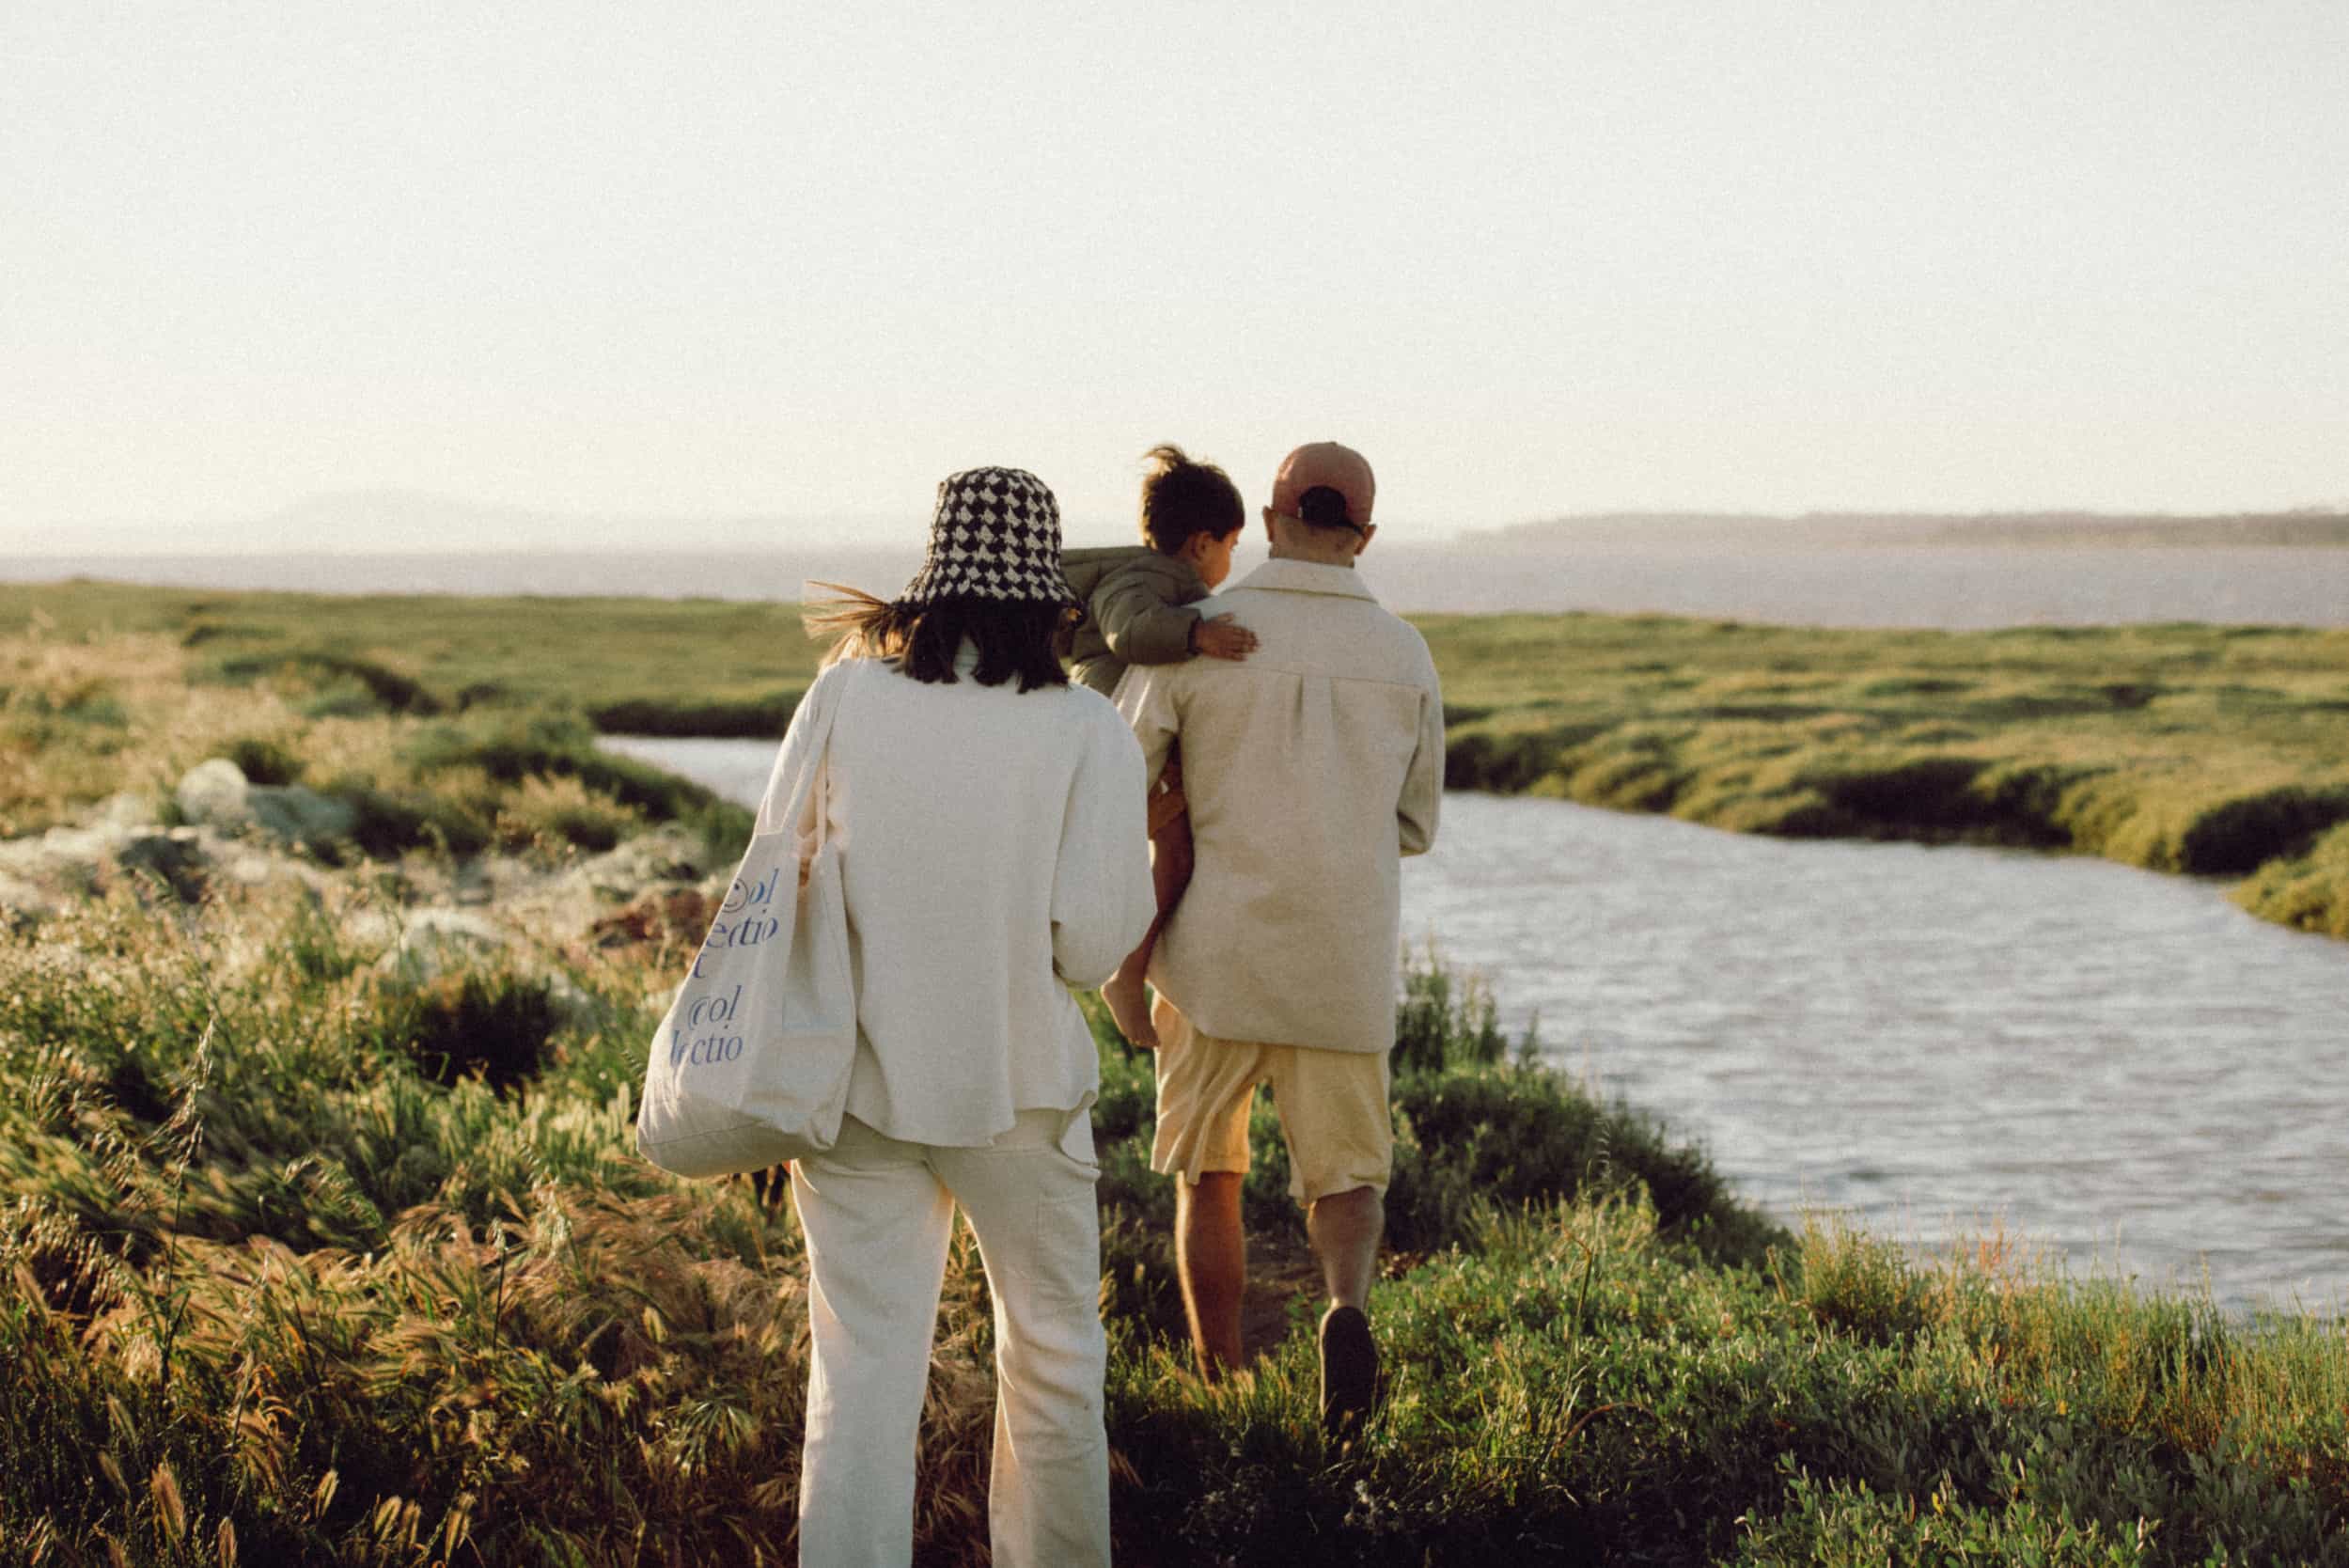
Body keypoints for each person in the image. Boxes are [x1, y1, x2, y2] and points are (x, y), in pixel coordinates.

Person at [782, 465, 1154, 1567]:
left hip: (851, 1088)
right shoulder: (1089, 729)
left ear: (932, 584)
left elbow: (777, 876)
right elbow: (1093, 945)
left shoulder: (844, 697)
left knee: (858, 1372)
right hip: (1021, 1091)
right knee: (1053, 1362)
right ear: (1050, 599)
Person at [1113, 441, 1443, 1440]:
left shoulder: (1203, 633)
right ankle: (1346, 1309)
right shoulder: (1405, 653)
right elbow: (1415, 825)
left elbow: (1120, 780)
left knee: (1208, 1172)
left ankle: (1222, 1381)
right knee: (1347, 1178)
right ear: (1366, 535)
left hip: (1214, 961)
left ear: (1267, 517)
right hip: (1341, 964)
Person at [1060, 443, 1258, 1048]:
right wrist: (1195, 634)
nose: (1232, 559)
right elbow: (1128, 628)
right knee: (1175, 858)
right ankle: (1127, 971)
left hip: (1117, 728)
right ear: (1202, 543)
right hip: (1120, 726)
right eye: (1232, 544)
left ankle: (1119, 963)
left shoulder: (1152, 573)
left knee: (1167, 855)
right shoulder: (1156, 578)